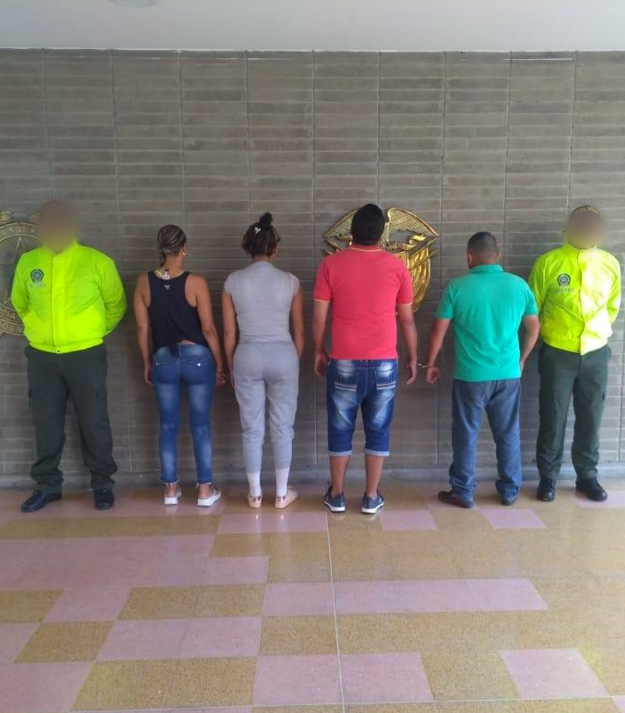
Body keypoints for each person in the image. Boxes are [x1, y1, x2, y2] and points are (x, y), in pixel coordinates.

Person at [10, 200, 126, 513]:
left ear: (71, 226)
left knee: (94, 421)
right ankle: (47, 486)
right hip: (42, 358)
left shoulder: (96, 262)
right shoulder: (29, 263)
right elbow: (20, 304)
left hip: (86, 355)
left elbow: (116, 305)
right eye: (49, 223)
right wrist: (39, 330)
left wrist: (91, 333)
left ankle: (102, 484)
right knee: (45, 423)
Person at [313, 203, 418, 515]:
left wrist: (318, 349)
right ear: (381, 234)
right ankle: (371, 496)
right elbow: (407, 320)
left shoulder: (331, 264)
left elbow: (319, 315)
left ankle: (337, 495)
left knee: (340, 427)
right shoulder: (398, 267)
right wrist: (413, 356)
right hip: (385, 362)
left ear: (351, 231)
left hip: (344, 361)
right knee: (378, 428)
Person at [424, 232, 540, 507]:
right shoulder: (519, 286)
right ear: (497, 256)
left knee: (466, 434)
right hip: (508, 374)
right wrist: (522, 359)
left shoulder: (457, 287)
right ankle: (509, 490)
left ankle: (463, 491)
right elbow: (534, 327)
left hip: (470, 376)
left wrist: (430, 363)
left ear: (469, 257)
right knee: (507, 433)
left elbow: (438, 330)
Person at [528, 205, 621, 503]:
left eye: (592, 227)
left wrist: (596, 335)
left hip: (595, 352)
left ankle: (587, 476)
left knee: (591, 416)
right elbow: (532, 309)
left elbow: (612, 307)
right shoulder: (548, 263)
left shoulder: (609, 264)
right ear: (568, 228)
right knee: (552, 416)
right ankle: (548, 477)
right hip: (557, 352)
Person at [133, 225, 226, 507]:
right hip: (197, 359)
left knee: (167, 425)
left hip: (163, 359)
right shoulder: (195, 282)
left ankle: (171, 489)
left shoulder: (143, 283)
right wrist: (220, 365)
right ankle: (205, 490)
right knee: (200, 426)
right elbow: (208, 329)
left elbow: (142, 328)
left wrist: (147, 362)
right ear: (184, 248)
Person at [222, 213, 305, 509]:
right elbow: (299, 332)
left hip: (246, 354)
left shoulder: (232, 281)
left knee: (251, 428)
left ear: (247, 247)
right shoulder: (290, 281)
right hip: (283, 353)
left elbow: (229, 333)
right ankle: (282, 494)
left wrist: (231, 367)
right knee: (283, 427)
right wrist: (292, 361)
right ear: (275, 248)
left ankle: (255, 494)